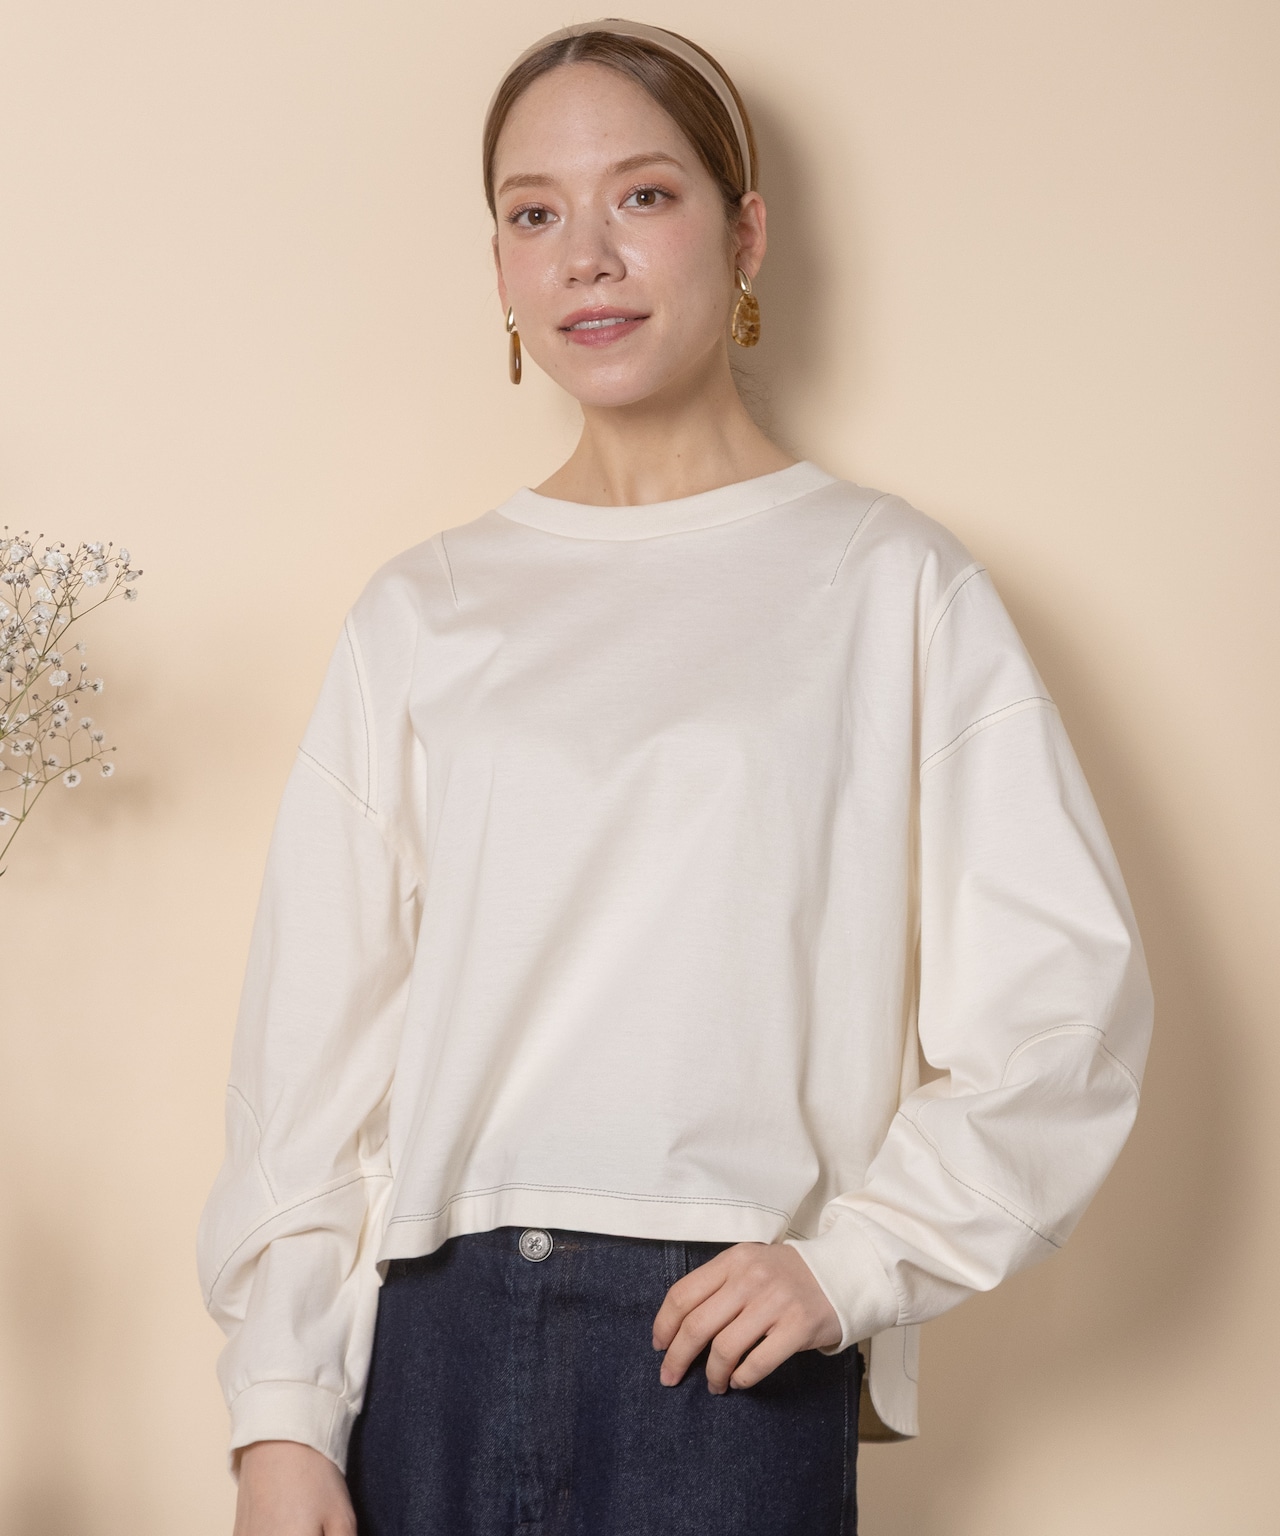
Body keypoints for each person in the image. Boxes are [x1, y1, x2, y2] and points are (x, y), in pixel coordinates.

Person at [197, 18, 1154, 1536]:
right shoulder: (425, 608)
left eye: (643, 195)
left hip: (721, 1359)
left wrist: (856, 1263)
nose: (587, 255)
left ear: (745, 232)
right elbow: (309, 1054)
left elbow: (1064, 1008)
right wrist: (281, 1412)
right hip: (433, 1347)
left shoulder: (887, 582)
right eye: (534, 213)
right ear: (500, 268)